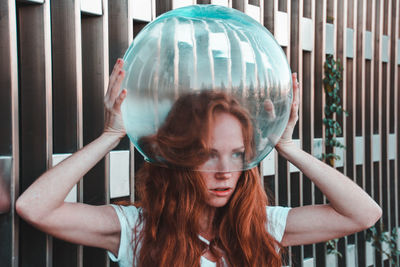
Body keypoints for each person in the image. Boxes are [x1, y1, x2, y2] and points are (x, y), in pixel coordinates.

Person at [16, 59, 382, 267]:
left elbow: (363, 214)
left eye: (238, 154)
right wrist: (111, 135)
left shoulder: (260, 227)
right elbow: (34, 208)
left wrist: (287, 147)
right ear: (179, 157)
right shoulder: (138, 230)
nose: (226, 171)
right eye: (208, 154)